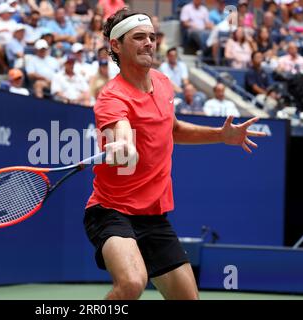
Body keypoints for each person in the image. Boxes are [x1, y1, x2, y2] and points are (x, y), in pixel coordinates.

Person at [84, 8, 266, 300]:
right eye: (139, 37)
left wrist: (220, 135)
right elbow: (121, 131)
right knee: (132, 283)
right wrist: (124, 146)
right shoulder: (112, 97)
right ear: (116, 46)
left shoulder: (163, 82)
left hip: (154, 215)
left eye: (152, 37)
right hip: (111, 211)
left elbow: (173, 129)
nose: (149, 43)